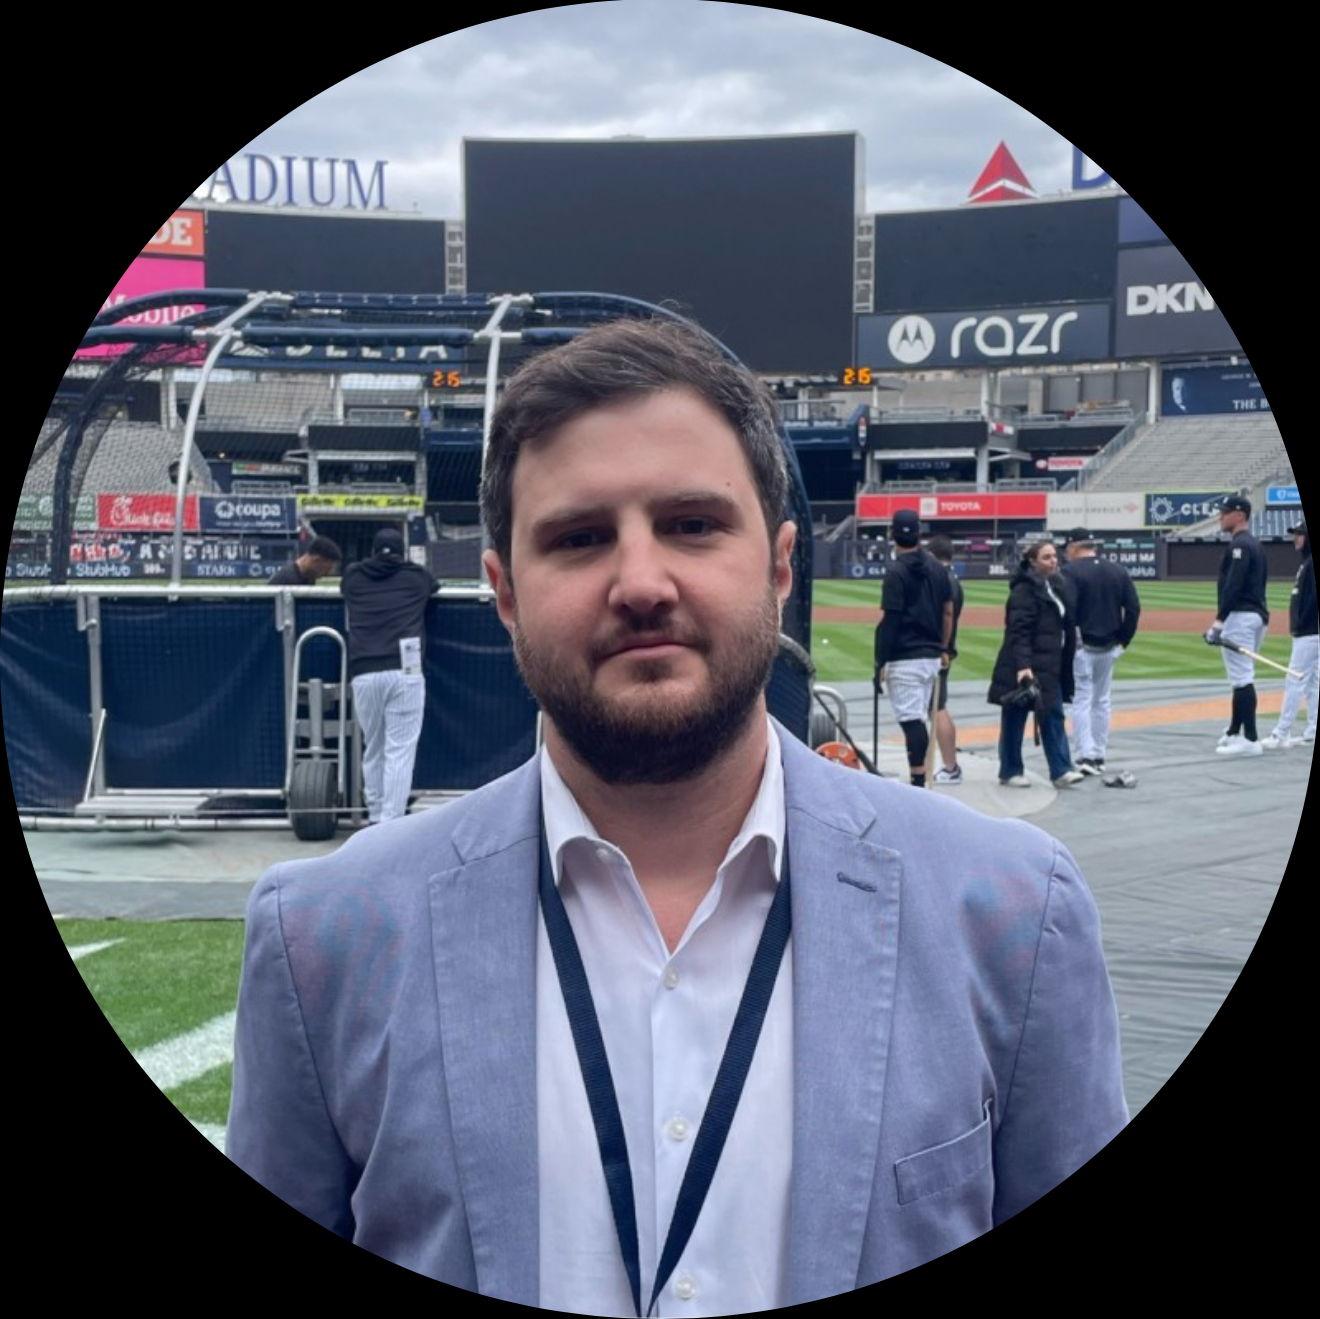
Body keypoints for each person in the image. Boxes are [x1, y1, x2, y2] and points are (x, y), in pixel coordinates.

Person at [228, 317, 1127, 1312]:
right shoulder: (322, 937)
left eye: (694, 524)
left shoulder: (1014, 912)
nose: (643, 583)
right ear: (504, 593)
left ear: (780, 567)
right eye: (579, 538)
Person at [340, 526, 439, 822]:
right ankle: (390, 823)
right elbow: (433, 585)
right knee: (400, 751)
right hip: (404, 671)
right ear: (402, 552)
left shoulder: (353, 577)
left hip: (363, 672)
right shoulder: (416, 577)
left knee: (374, 748)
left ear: (372, 551)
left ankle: (374, 817)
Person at [988, 539, 1085, 789]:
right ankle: (1010, 770)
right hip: (1024, 665)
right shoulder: (1024, 590)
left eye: (1054, 556)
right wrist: (1023, 666)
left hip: (1051, 663)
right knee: (1015, 718)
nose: (1053, 561)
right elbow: (1018, 631)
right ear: (1032, 561)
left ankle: (1061, 770)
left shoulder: (1056, 585)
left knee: (1053, 715)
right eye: (1046, 557)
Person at [873, 509, 952, 788]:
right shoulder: (937, 568)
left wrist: (880, 660)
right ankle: (922, 776)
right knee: (919, 718)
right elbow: (947, 612)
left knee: (911, 721)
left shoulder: (896, 571)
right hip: (931, 655)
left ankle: (918, 780)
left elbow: (891, 619)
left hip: (904, 655)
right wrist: (944, 647)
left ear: (892, 534)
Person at [1061, 528, 1141, 774]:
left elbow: (1068, 611)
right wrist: (1123, 642)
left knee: (1082, 700)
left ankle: (1085, 756)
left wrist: (1072, 643)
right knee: (1102, 700)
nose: (1065, 554)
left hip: (1082, 646)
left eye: (1067, 549)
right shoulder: (1117, 570)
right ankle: (1099, 754)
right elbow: (1134, 608)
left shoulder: (1070, 571)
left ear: (1074, 547)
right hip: (1109, 646)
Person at [1206, 495, 1269, 757]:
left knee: (1242, 678)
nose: (1221, 516)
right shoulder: (1254, 544)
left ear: (1240, 515)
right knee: (1240, 677)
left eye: (1226, 512)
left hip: (1241, 616)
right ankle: (1234, 731)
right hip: (1256, 616)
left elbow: (1234, 585)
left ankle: (1251, 739)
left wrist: (1219, 621)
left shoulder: (1240, 545)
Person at [1262, 519, 1317, 748]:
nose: (1296, 538)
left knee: (1294, 679)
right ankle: (1312, 729)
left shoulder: (1310, 565)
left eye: (1299, 534)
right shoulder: (1306, 563)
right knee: (1312, 682)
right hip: (1310, 632)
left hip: (1309, 633)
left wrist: (1301, 624)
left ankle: (1281, 733)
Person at [925, 534, 964, 784]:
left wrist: (941, 648)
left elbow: (946, 616)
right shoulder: (952, 579)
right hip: (944, 650)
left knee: (936, 707)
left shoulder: (943, 580)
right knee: (937, 707)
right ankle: (950, 765)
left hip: (939, 652)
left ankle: (951, 767)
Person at [267, 535, 342, 585]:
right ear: (316, 560)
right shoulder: (285, 579)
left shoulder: (308, 577)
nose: (326, 574)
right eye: (326, 569)